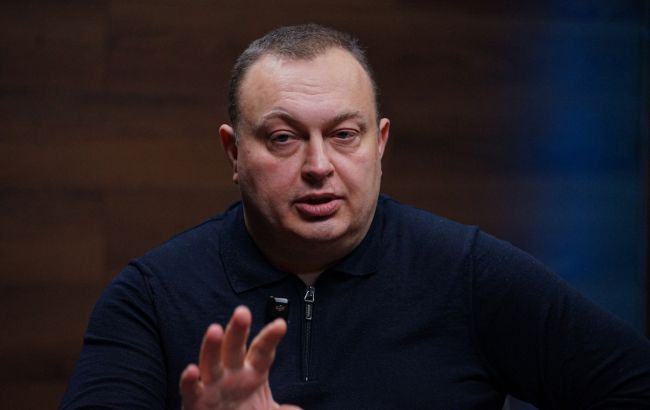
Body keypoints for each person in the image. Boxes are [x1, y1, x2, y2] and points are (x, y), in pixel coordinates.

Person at [60, 24, 650, 409]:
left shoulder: (467, 272)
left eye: (344, 135)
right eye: (284, 138)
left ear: (380, 143)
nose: (319, 166)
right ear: (234, 152)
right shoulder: (150, 296)